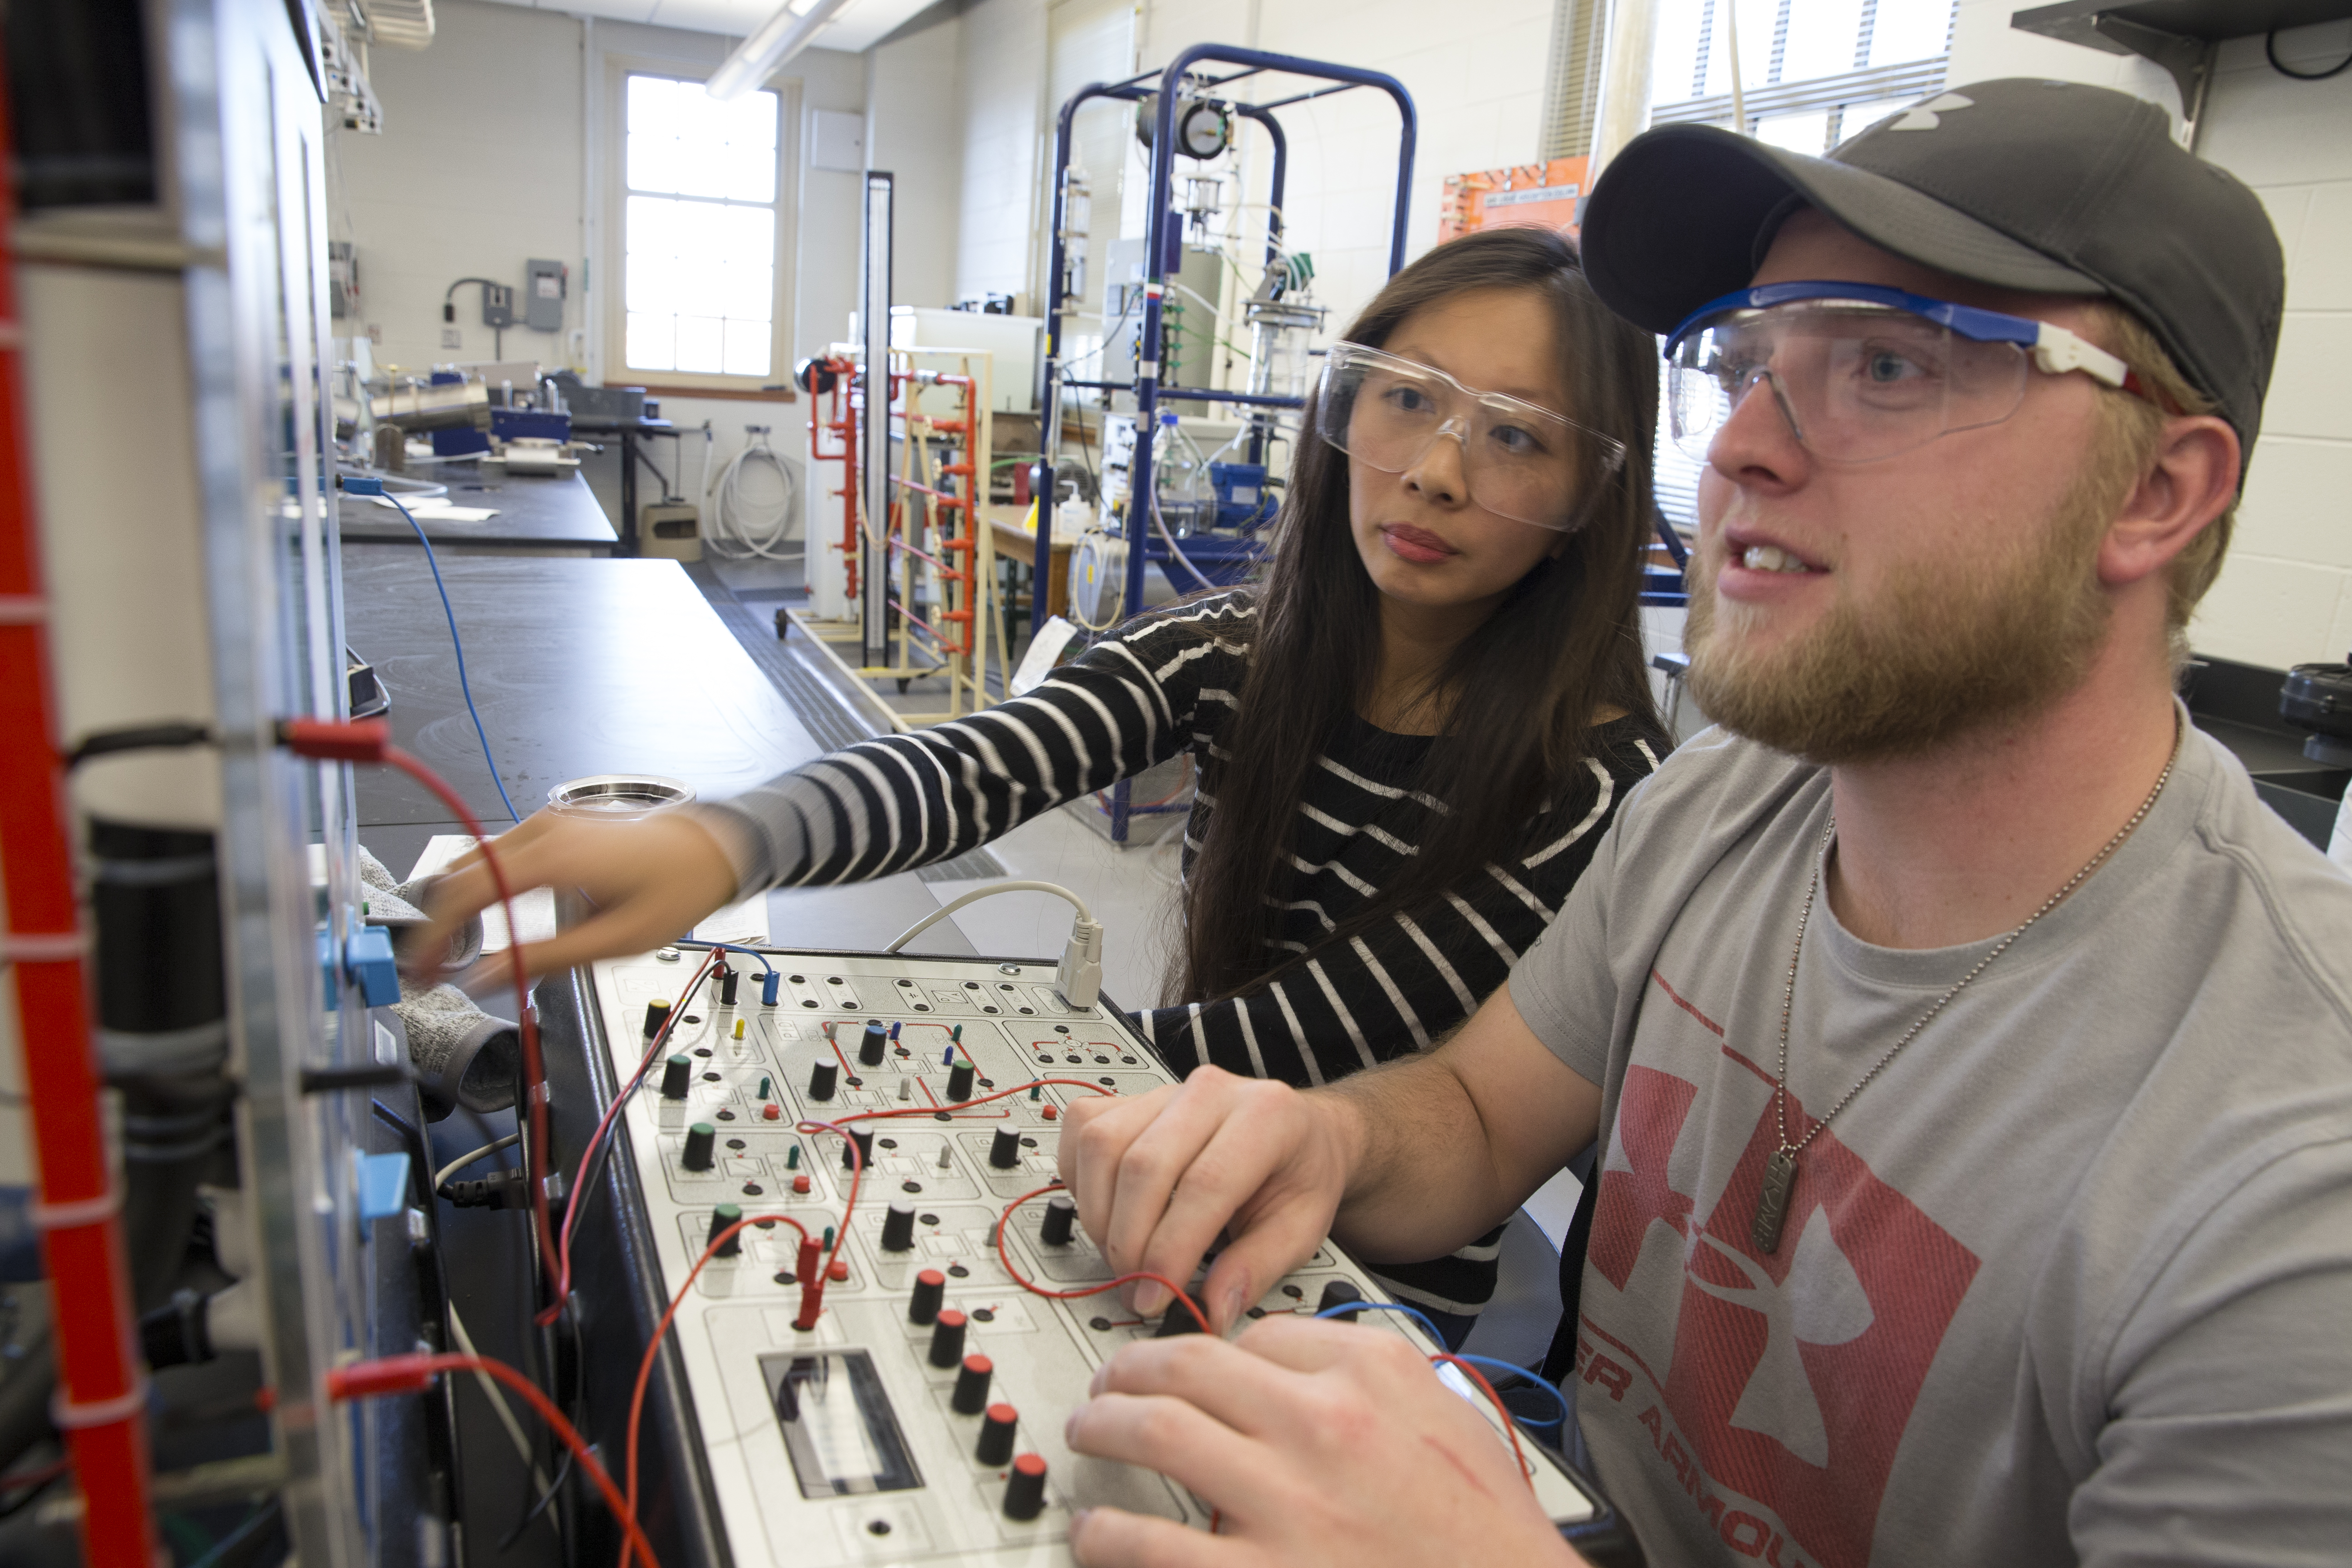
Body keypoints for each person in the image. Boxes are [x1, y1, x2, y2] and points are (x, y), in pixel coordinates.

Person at [1051, 79, 2352, 1568]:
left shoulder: (2293, 1176)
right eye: (1745, 364)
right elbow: (1477, 1118)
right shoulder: (1724, 803)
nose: (1742, 451)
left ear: (2160, 493)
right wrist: (1328, 1137)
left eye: (1888, 366)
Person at [418, 225, 1672, 1340]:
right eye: (1404, 399)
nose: (1438, 471)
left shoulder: (1601, 793)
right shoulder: (1236, 652)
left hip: (1355, 1291)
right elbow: (980, 762)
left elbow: (1283, 1041)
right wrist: (728, 841)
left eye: (1515, 436)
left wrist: (871, 1079)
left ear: (1594, 497)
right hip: (1146, 1176)